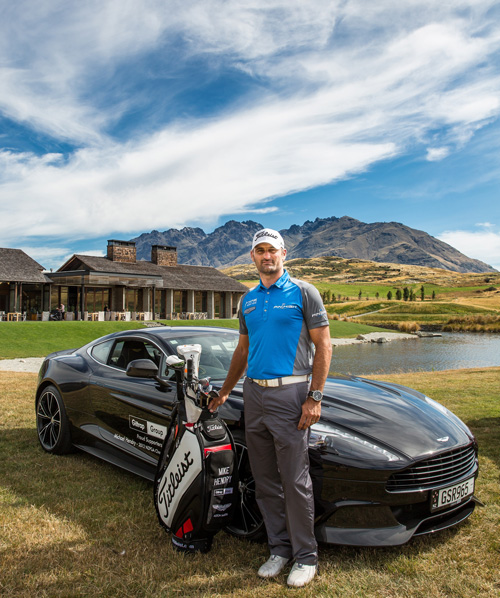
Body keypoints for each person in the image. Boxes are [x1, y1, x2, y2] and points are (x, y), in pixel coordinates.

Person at [208, 228, 332, 588]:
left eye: (272, 250)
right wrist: (225, 391)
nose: (266, 256)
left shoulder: (304, 293)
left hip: (291, 396)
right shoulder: (247, 300)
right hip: (254, 395)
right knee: (264, 480)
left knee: (295, 480)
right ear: (252, 257)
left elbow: (324, 346)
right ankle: (278, 548)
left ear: (284, 254)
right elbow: (243, 352)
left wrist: (315, 396)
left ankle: (305, 556)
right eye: (260, 251)